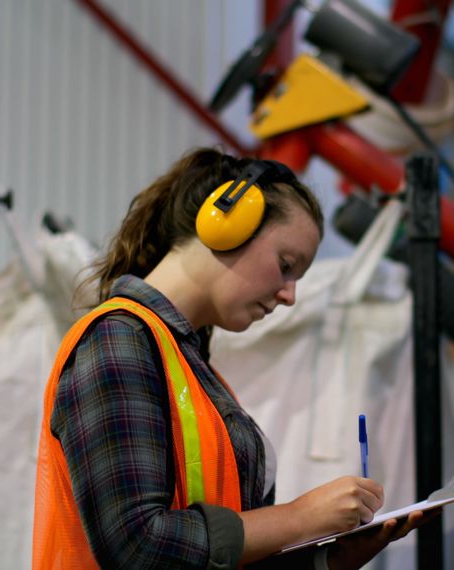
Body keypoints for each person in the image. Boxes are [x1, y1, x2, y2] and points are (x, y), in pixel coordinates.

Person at [33, 147, 427, 569]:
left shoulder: (190, 370)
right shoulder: (117, 339)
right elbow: (137, 545)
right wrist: (298, 518)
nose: (289, 296)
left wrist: (328, 560)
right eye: (285, 264)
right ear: (226, 224)